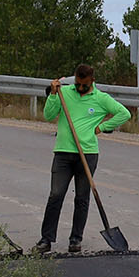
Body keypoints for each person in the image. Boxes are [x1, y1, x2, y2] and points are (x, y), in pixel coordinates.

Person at [37, 63, 130, 255]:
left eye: (84, 85)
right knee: (56, 195)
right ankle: (46, 239)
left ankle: (75, 239)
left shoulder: (101, 98)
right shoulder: (64, 93)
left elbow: (124, 114)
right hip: (63, 152)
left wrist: (101, 127)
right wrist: (53, 95)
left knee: (82, 197)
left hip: (87, 154)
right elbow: (48, 116)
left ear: (92, 81)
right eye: (78, 84)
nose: (80, 88)